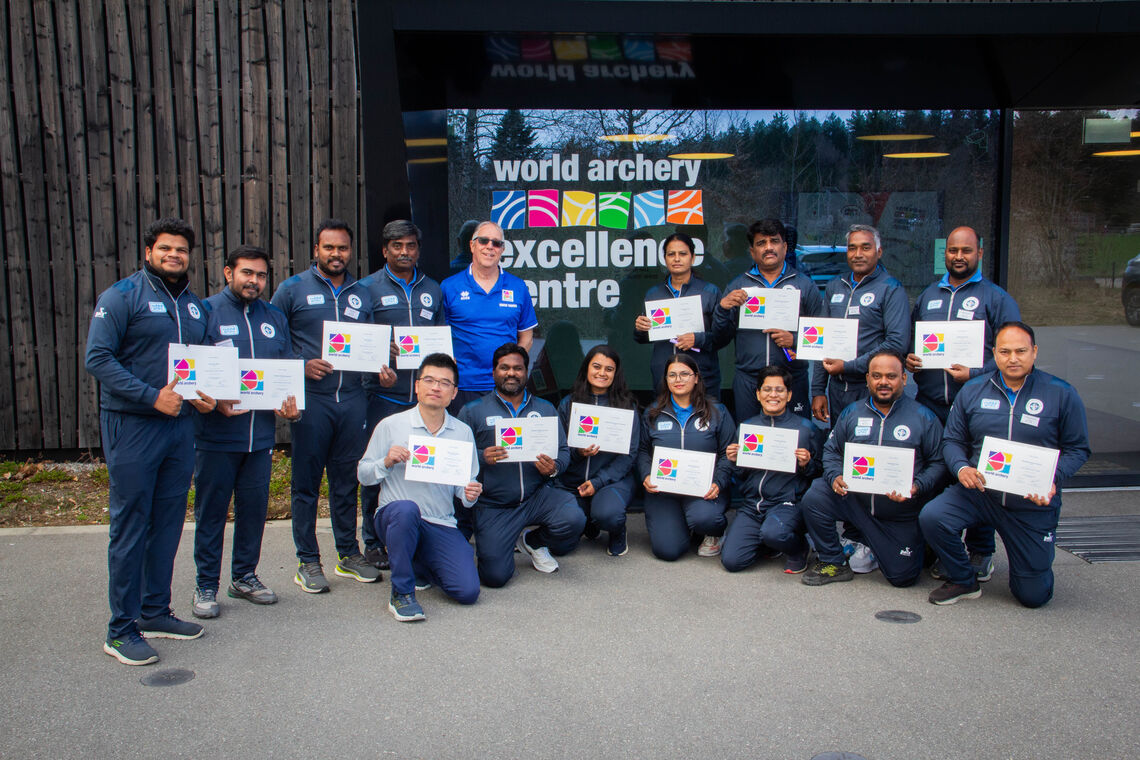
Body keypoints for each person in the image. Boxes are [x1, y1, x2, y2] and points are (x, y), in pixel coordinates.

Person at [86, 217, 215, 665]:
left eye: (181, 249)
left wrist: (208, 396)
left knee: (167, 522)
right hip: (133, 425)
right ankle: (120, 629)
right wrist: (149, 396)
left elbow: (205, 364)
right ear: (148, 252)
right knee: (131, 524)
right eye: (165, 248)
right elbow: (97, 358)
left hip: (179, 428)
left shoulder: (195, 306)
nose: (174, 255)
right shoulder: (121, 297)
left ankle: (155, 610)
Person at [919, 322, 1090, 607]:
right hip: (980, 493)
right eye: (1005, 351)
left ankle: (1029, 569)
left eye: (1020, 351)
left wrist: (1052, 478)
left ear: (1034, 352)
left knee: (1033, 596)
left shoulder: (1061, 393)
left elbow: (1078, 449)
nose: (1013, 358)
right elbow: (952, 440)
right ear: (994, 354)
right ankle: (963, 579)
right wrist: (962, 468)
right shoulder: (973, 390)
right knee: (933, 516)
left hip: (1030, 501)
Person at [190, 245, 300, 619]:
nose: (254, 281)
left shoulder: (274, 317)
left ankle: (244, 577)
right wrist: (213, 400)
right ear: (228, 273)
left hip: (260, 437)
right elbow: (191, 369)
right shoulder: (205, 311)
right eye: (247, 273)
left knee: (253, 512)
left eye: (261, 275)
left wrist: (292, 405)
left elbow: (286, 367)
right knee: (212, 513)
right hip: (216, 437)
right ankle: (206, 583)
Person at [905, 226, 1021, 582]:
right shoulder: (928, 296)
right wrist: (911, 359)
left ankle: (980, 551)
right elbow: (914, 342)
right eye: (953, 250)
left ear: (979, 253)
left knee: (977, 476)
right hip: (930, 403)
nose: (959, 256)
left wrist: (975, 373)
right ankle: (942, 547)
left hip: (977, 407)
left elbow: (1013, 356)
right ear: (945, 254)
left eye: (966, 250)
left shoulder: (996, 298)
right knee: (935, 474)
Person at [270, 218, 380, 593]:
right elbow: (272, 341)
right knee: (306, 484)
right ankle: (307, 561)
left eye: (342, 248)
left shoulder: (361, 293)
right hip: (311, 401)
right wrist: (300, 365)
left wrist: (380, 366)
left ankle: (348, 554)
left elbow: (371, 344)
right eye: (329, 247)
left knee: (346, 482)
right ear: (316, 249)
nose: (336, 254)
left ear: (350, 251)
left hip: (351, 400)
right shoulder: (291, 289)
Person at [800, 350, 946, 588]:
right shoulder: (852, 412)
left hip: (899, 512)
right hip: (857, 503)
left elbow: (939, 463)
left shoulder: (923, 417)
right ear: (867, 379)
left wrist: (917, 486)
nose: (883, 382)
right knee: (816, 495)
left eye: (891, 376)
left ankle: (916, 543)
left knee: (903, 578)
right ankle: (833, 561)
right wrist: (835, 475)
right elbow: (832, 451)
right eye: (877, 376)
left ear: (904, 378)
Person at [357, 353, 482, 622]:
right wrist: (386, 461)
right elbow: (364, 475)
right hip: (396, 517)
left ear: (454, 393)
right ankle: (401, 593)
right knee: (406, 510)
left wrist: (469, 493)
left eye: (444, 383)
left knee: (467, 591)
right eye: (429, 380)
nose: (436, 387)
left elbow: (464, 490)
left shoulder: (462, 432)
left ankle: (418, 563)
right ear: (417, 386)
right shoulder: (391, 425)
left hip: (440, 521)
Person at [458, 343, 585, 587]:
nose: (511, 373)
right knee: (495, 577)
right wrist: (481, 456)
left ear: (526, 372)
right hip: (494, 505)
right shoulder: (473, 411)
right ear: (493, 372)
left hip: (536, 497)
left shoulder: (545, 408)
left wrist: (554, 468)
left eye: (518, 368)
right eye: (504, 367)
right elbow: (457, 455)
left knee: (574, 518)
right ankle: (505, 541)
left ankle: (534, 541)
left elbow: (563, 451)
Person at [358, 220, 446, 571]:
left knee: (425, 467)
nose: (404, 252)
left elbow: (440, 339)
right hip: (384, 396)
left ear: (418, 249)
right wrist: (379, 356)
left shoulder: (433, 289)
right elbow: (359, 343)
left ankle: (420, 534)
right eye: (397, 246)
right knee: (380, 466)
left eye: (410, 245)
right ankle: (372, 541)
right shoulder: (366, 289)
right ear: (385, 250)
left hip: (423, 400)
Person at [713, 218, 824, 421]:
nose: (768, 247)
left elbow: (822, 339)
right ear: (752, 251)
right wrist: (722, 309)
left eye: (774, 241)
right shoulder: (737, 286)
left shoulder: (805, 286)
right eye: (761, 243)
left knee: (795, 437)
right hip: (749, 381)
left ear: (785, 247)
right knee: (749, 436)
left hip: (792, 380)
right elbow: (720, 339)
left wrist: (795, 340)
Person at [721, 365, 823, 574]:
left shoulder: (805, 429)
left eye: (779, 390)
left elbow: (820, 472)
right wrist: (734, 461)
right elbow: (741, 475)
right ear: (758, 394)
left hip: (787, 503)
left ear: (789, 395)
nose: (773, 395)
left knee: (775, 533)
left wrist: (806, 464)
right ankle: (769, 542)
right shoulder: (747, 428)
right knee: (732, 561)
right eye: (767, 389)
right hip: (753, 505)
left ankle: (799, 548)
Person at [638, 354, 736, 561]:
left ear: (696, 378)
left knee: (705, 518)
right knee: (668, 550)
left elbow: (727, 454)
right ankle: (681, 525)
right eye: (672, 375)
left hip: (704, 489)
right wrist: (646, 474)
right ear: (666, 380)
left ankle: (714, 532)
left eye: (684, 374)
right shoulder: (653, 413)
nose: (678, 379)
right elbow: (642, 451)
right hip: (664, 491)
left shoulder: (717, 412)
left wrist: (718, 482)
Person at [811, 224, 910, 427]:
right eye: (852, 248)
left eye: (866, 247)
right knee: (841, 441)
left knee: (868, 443)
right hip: (837, 389)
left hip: (871, 389)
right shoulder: (835, 286)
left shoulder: (891, 289)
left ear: (879, 252)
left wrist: (848, 366)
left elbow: (896, 343)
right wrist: (818, 390)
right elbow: (822, 339)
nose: (858, 254)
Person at [441, 221, 538, 412]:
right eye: (484, 241)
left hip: (504, 386)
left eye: (496, 243)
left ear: (502, 250)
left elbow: (527, 337)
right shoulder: (449, 286)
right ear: (472, 245)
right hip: (462, 385)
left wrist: (512, 368)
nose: (490, 247)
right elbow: (439, 336)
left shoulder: (518, 287)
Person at [556, 345, 640, 557]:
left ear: (616, 374)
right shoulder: (568, 404)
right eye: (596, 366)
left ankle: (616, 529)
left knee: (608, 514)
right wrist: (578, 453)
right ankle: (588, 522)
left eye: (609, 369)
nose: (602, 373)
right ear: (586, 368)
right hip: (573, 481)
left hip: (612, 480)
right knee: (560, 544)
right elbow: (558, 449)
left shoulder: (626, 406)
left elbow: (630, 454)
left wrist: (599, 481)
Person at [633, 232, 725, 400]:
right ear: (664, 259)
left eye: (682, 254)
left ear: (693, 257)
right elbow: (644, 337)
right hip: (664, 376)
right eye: (671, 254)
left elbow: (723, 336)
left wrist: (698, 339)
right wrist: (640, 329)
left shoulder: (710, 292)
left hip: (702, 376)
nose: (676, 259)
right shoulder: (654, 294)